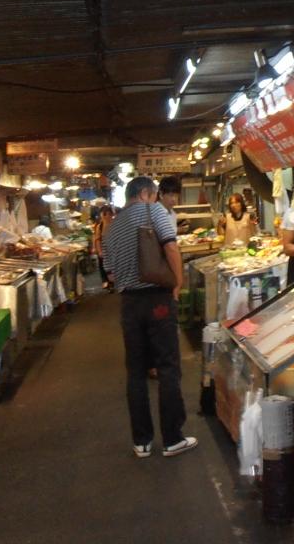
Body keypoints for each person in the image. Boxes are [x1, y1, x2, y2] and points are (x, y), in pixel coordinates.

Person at [101, 176, 196, 459]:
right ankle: (172, 439)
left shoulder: (112, 226)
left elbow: (110, 274)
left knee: (136, 372)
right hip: (157, 299)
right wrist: (178, 283)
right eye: (154, 195)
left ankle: (141, 442)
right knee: (167, 367)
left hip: (129, 304)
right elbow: (170, 246)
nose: (156, 199)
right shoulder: (152, 210)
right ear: (145, 193)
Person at [93, 205, 116, 290]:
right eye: (104, 214)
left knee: (113, 265)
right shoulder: (100, 226)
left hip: (113, 249)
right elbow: (97, 239)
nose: (107, 216)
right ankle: (106, 281)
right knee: (103, 266)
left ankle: (113, 282)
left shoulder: (115, 224)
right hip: (104, 249)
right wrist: (99, 251)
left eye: (109, 214)